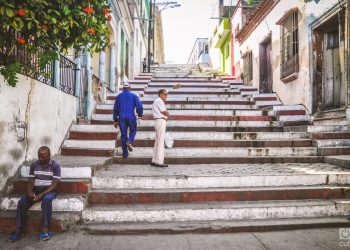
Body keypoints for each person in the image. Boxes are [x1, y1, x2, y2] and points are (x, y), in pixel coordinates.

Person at [7, 146, 61, 243]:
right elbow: (31, 181)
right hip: (36, 190)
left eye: (43, 157)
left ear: (49, 156)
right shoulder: (34, 165)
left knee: (46, 200)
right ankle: (19, 230)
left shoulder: (55, 166)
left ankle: (45, 230)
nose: (40, 159)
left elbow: (54, 185)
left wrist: (42, 195)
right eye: (39, 156)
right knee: (22, 202)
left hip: (50, 190)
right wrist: (30, 192)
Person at [113, 81, 143, 158]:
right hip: (130, 115)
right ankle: (129, 141)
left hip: (121, 116)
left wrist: (115, 120)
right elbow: (139, 107)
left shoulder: (118, 96)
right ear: (130, 87)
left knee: (123, 134)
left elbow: (115, 109)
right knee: (133, 130)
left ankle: (125, 153)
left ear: (123, 88)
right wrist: (140, 115)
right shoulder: (134, 96)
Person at [151, 89, 169, 168]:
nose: (166, 96)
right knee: (160, 142)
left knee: (157, 141)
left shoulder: (157, 101)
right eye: (165, 94)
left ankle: (154, 160)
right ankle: (159, 162)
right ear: (161, 94)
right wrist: (167, 113)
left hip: (158, 121)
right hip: (160, 120)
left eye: (166, 94)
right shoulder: (159, 101)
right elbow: (165, 112)